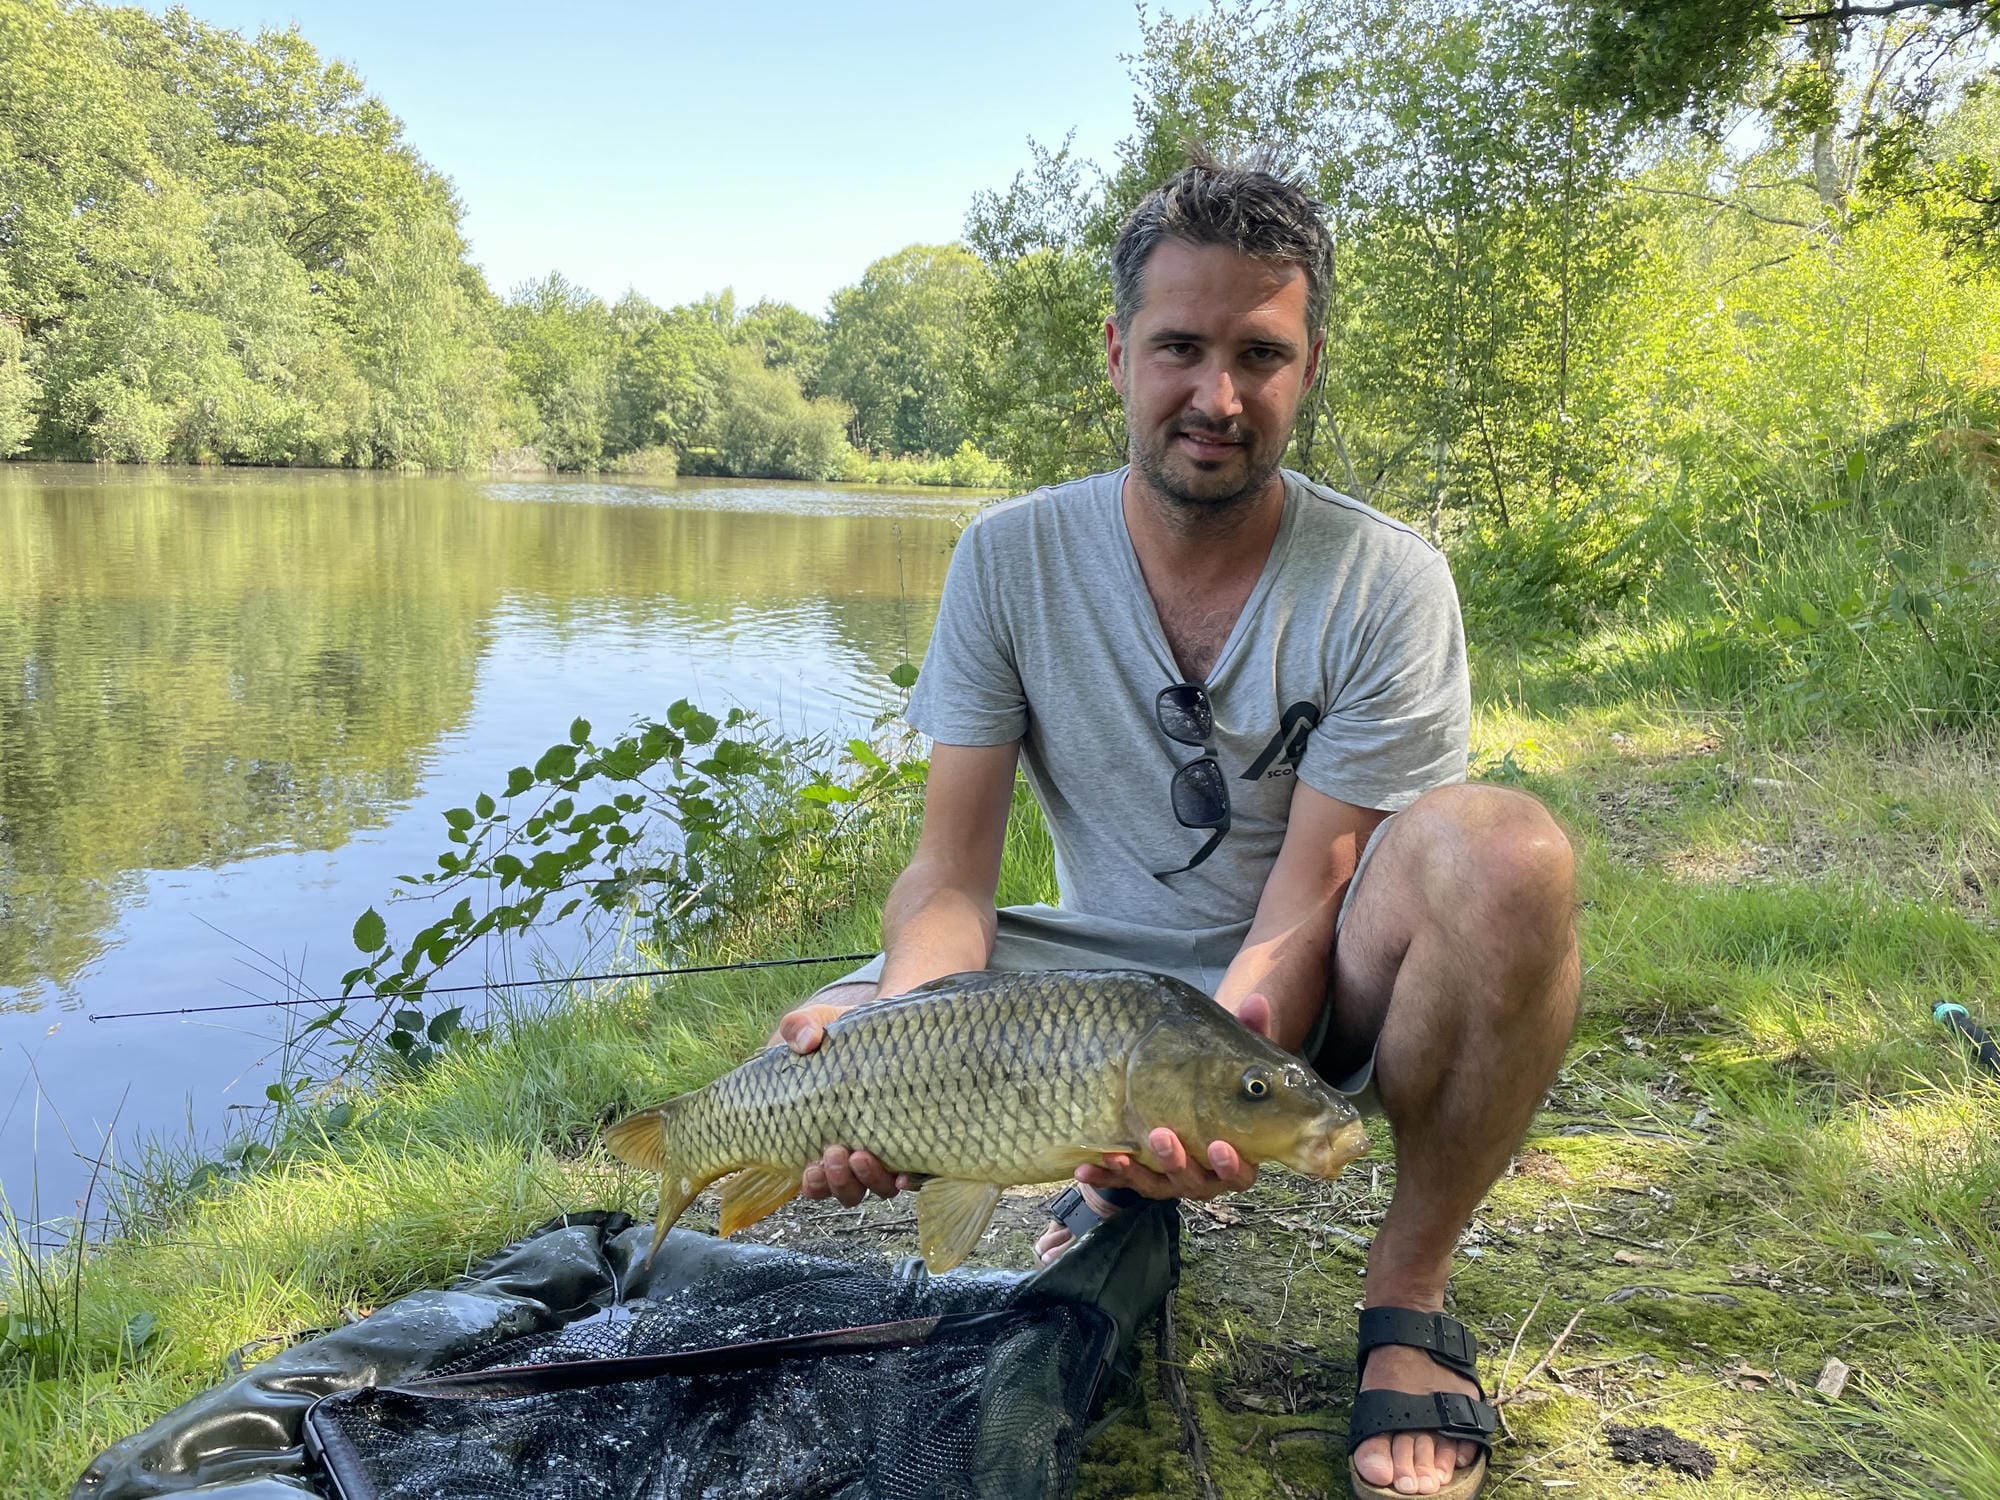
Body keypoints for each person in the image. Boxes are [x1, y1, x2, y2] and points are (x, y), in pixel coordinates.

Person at [769, 148, 1578, 1500]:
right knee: (807, 1061)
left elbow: (1304, 901)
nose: (1217, 396)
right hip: (1077, 989)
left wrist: (1220, 1067)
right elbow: (949, 877)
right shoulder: (1008, 554)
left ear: (1307, 365)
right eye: (1180, 347)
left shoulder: (1386, 578)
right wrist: (899, 1028)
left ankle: (1408, 1296)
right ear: (1116, 351)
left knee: (1508, 855)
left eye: (1259, 355)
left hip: (1295, 983)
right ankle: (1089, 1164)